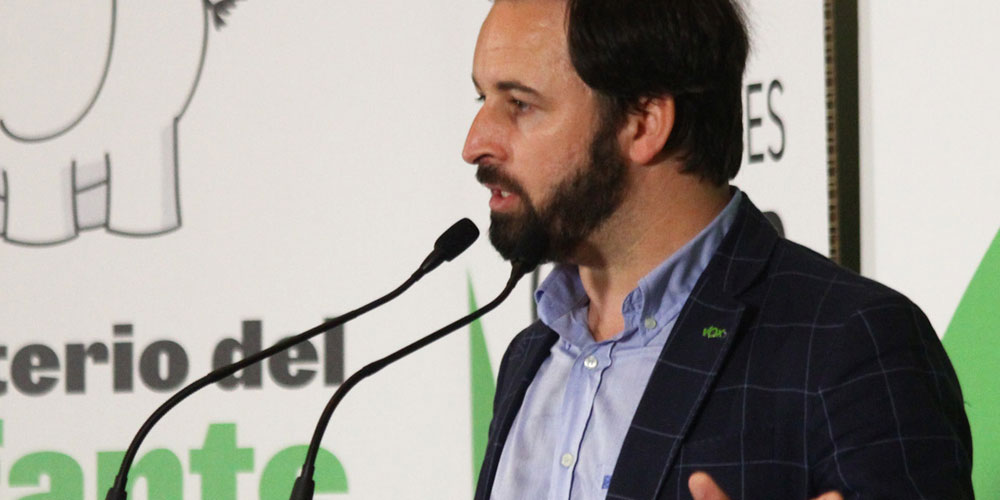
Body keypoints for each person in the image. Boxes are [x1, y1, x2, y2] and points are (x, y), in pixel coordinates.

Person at [461, 0, 973, 499]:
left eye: (520, 103)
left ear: (644, 121)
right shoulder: (532, 356)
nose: (474, 143)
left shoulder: (850, 345)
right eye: (482, 99)